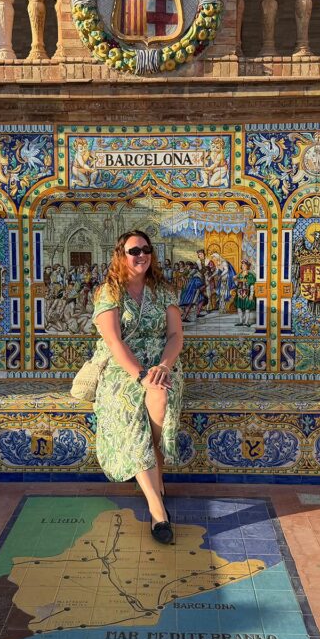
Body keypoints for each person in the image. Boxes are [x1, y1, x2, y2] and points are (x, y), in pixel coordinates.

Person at [92, 230, 184, 544]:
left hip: (161, 363)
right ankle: (158, 508)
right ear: (121, 255)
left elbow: (175, 337)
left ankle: (151, 472)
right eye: (134, 251)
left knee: (159, 394)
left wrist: (162, 367)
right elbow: (114, 342)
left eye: (145, 249)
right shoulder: (110, 292)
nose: (140, 255)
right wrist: (139, 374)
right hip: (122, 368)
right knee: (132, 413)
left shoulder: (163, 290)